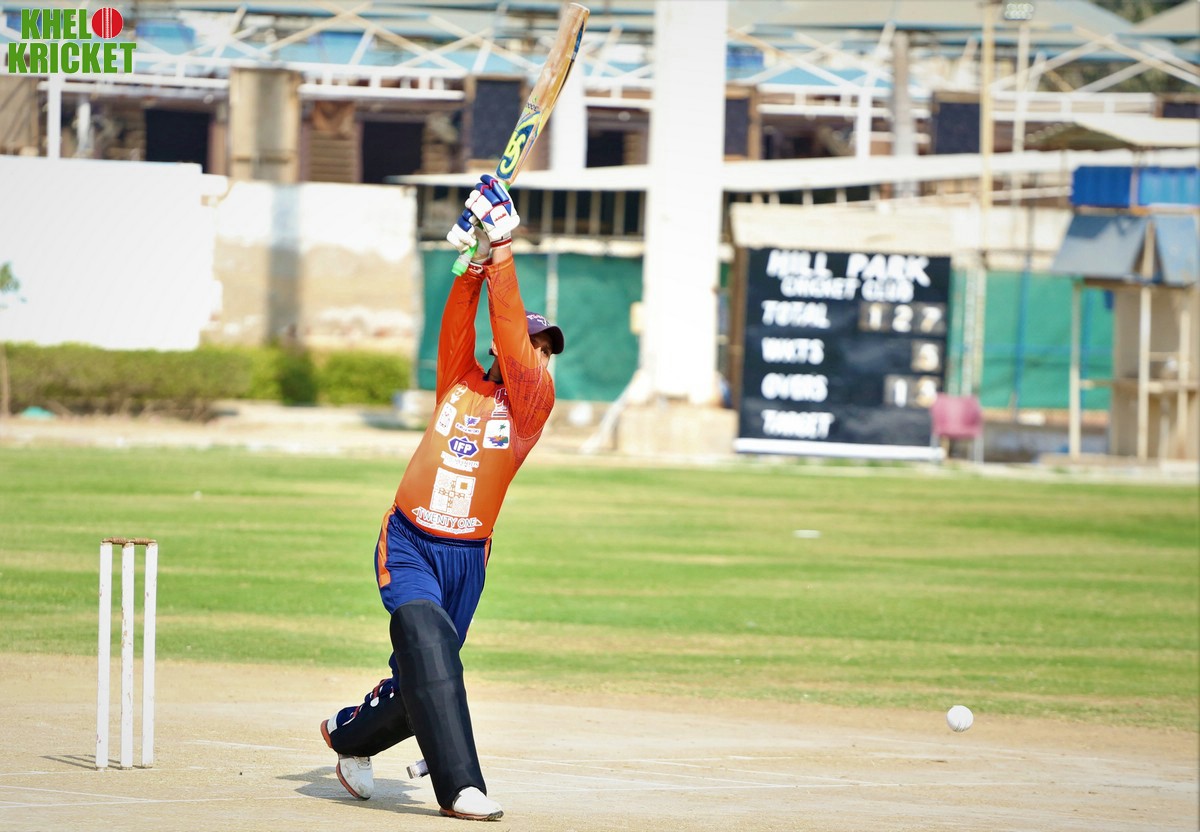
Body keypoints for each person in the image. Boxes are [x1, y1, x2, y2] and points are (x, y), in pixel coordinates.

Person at [319, 175, 563, 822]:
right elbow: (461, 322)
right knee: (425, 643)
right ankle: (461, 788)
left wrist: (504, 249)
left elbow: (510, 335)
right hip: (409, 540)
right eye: (536, 345)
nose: (541, 356)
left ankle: (347, 735)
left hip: (467, 558)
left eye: (547, 350)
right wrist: (475, 260)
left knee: (427, 679)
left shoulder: (534, 405)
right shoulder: (461, 382)